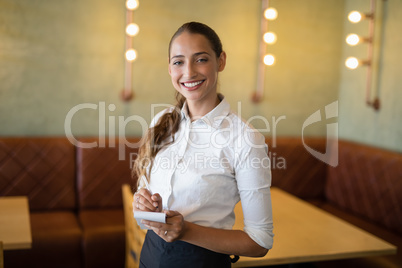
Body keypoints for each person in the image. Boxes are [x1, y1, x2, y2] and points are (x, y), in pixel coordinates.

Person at [132, 21, 273, 268]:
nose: (188, 72)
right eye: (178, 62)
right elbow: (145, 198)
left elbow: (259, 242)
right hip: (150, 257)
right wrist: (143, 204)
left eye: (201, 59)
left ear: (221, 61)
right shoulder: (160, 122)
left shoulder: (245, 139)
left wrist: (185, 231)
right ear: (169, 68)